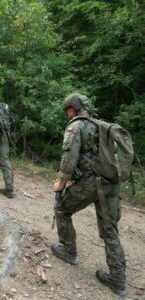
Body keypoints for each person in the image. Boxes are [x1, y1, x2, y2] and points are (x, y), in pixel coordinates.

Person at [51, 93, 126, 297]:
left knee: (62, 209)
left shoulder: (76, 126)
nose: (67, 113)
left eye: (68, 109)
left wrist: (61, 183)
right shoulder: (102, 125)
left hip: (90, 184)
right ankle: (118, 280)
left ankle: (69, 251)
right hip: (111, 184)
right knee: (110, 231)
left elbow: (69, 157)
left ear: (73, 108)